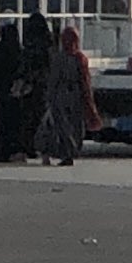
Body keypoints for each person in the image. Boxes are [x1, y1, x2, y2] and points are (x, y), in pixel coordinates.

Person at [35, 26, 98, 166]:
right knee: (74, 126)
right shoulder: (80, 58)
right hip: (76, 96)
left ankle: (59, 153)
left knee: (59, 126)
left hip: (61, 96)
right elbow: (85, 80)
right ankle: (70, 152)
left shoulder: (59, 58)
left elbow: (53, 79)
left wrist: (49, 97)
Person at [0, 19, 24, 162]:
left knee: (1, 125)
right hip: (16, 94)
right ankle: (16, 151)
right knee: (15, 125)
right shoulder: (20, 53)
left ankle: (1, 153)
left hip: (0, 93)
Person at [18, 9, 53, 156]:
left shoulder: (28, 45)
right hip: (44, 85)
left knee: (27, 117)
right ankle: (41, 145)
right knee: (41, 116)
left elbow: (24, 66)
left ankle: (28, 146)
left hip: (29, 86)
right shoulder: (48, 45)